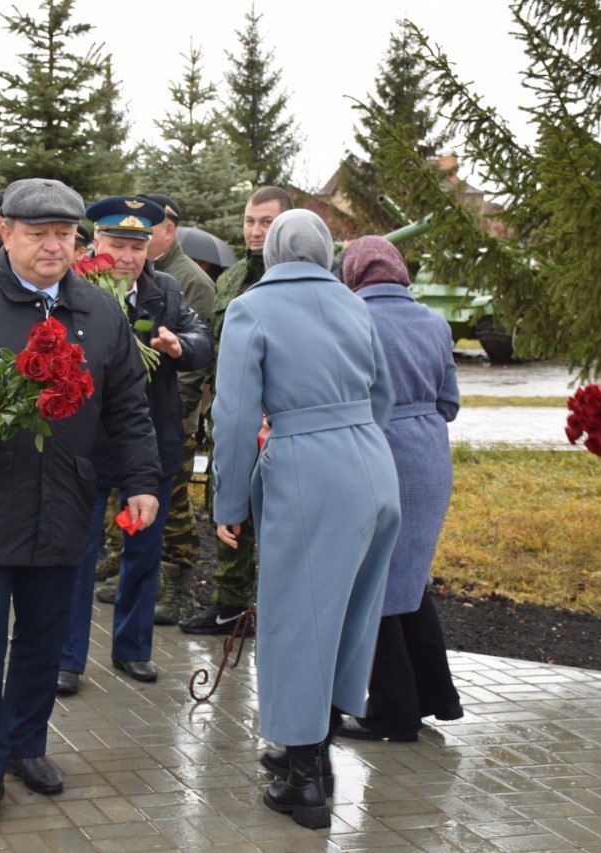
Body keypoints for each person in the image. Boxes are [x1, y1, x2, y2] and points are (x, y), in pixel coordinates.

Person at [0, 178, 162, 816]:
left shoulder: (98, 313)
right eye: (38, 233)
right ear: (6, 233)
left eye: (64, 235)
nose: (52, 246)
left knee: (44, 639)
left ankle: (26, 744)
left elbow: (127, 404)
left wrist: (143, 481)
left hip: (66, 502)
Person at [213, 209, 399, 829]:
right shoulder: (355, 305)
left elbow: (236, 418)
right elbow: (384, 398)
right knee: (350, 615)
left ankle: (304, 779)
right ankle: (315, 749)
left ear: (271, 254)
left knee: (296, 619)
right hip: (373, 470)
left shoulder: (251, 309)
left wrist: (229, 502)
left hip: (308, 470)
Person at [58, 197, 211, 694]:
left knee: (142, 552)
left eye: (137, 247)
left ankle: (132, 649)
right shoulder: (71, 287)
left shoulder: (164, 290)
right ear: (95, 243)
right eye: (117, 245)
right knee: (77, 555)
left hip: (150, 444)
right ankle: (66, 658)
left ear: (150, 248)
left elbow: (202, 339)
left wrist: (178, 346)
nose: (126, 257)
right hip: (87, 444)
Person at [333, 236, 463, 742]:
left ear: (354, 272)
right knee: (412, 575)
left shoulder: (351, 317)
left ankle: (393, 712)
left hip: (377, 452)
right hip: (431, 458)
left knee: (375, 580)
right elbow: (450, 401)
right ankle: (436, 695)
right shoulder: (434, 321)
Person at [181, 185, 294, 636]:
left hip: (278, 423)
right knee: (225, 507)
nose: (254, 230)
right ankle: (230, 607)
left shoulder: (297, 278)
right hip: (230, 416)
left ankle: (277, 612)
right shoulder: (229, 281)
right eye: (250, 220)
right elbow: (213, 346)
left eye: (266, 222)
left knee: (277, 522)